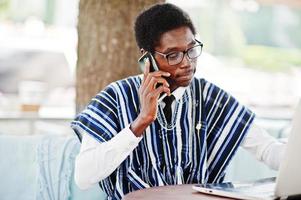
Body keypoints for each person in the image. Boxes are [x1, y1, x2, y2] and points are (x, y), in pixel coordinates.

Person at [71, 3, 285, 200]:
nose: (187, 63)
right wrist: (139, 123)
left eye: (191, 50)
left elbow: (267, 149)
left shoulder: (209, 98)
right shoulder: (116, 98)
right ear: (148, 58)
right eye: (173, 55)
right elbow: (83, 177)